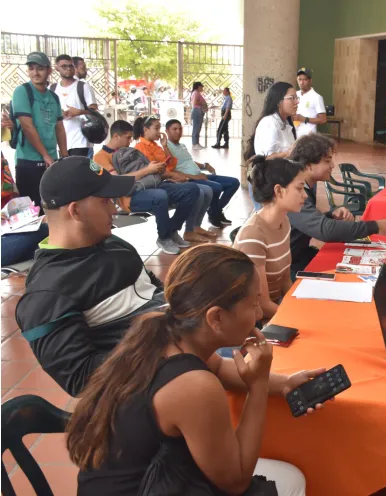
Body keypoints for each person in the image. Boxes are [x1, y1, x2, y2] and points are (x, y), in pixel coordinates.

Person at [66, 245, 326, 495]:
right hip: (148, 486)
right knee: (290, 482)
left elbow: (222, 368)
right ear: (216, 318)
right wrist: (257, 387)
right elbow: (236, 481)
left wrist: (283, 383)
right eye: (253, 303)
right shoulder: (193, 386)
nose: (259, 313)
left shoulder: (164, 328)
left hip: (150, 476)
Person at [14, 156, 166, 397]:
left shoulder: (113, 244)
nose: (115, 209)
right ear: (75, 211)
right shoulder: (48, 294)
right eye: (106, 201)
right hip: (144, 396)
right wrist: (168, 345)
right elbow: (81, 379)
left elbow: (152, 288)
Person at [287, 134, 386, 275]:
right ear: (308, 165)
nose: (332, 166)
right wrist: (375, 226)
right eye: (327, 161)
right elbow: (324, 230)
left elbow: (305, 221)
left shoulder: (306, 187)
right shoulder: (293, 192)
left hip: (298, 255)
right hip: (289, 265)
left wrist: (330, 215)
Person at [94, 120, 200, 255]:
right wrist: (148, 170)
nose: (129, 141)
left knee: (190, 189)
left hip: (151, 185)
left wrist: (160, 172)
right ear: (116, 137)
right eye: (127, 138)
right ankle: (164, 237)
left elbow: (146, 170)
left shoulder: (130, 151)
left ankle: (172, 230)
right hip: (129, 196)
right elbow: (117, 182)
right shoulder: (100, 157)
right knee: (160, 195)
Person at [234, 157, 306, 319]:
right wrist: (300, 319)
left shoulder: (284, 222)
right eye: (300, 189)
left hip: (275, 309)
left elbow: (285, 282)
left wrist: (300, 307)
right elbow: (262, 306)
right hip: (250, 321)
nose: (305, 195)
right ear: (279, 190)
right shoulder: (253, 235)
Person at [134, 115, 216, 243]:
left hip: (165, 180)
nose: (159, 131)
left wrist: (165, 146)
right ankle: (176, 230)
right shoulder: (140, 148)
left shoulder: (157, 146)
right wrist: (173, 176)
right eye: (156, 128)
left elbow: (170, 165)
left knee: (204, 190)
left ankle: (183, 228)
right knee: (198, 192)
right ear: (146, 130)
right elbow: (156, 171)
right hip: (156, 184)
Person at [12, 52, 67, 212]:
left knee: (53, 209)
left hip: (51, 161)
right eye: (31, 68)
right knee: (32, 211)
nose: (35, 73)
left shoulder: (54, 97)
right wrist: (45, 155)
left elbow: (59, 127)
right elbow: (27, 126)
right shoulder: (22, 92)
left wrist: (64, 156)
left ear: (49, 70)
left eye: (40, 68)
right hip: (29, 161)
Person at [166, 119, 239, 227]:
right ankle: (215, 214)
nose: (178, 131)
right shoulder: (166, 147)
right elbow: (171, 170)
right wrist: (195, 177)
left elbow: (188, 161)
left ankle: (215, 211)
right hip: (190, 178)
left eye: (180, 129)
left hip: (200, 175)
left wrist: (205, 165)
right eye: (174, 129)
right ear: (167, 131)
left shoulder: (182, 145)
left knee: (234, 183)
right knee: (216, 187)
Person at [246, 81, 299, 211]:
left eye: (296, 98)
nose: (296, 102)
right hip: (266, 184)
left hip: (279, 181)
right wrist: (292, 152)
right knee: (264, 223)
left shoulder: (285, 123)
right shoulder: (270, 123)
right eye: (292, 98)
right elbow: (266, 158)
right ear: (278, 101)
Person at [52, 54, 98, 157]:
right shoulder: (53, 88)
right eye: (64, 66)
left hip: (81, 140)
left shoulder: (83, 86)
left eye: (71, 66)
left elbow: (95, 112)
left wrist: (79, 112)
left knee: (79, 171)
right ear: (56, 68)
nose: (68, 69)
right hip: (60, 141)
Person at [294, 68, 327, 138]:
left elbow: (323, 119)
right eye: (300, 79)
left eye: (305, 80)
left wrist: (305, 119)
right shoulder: (295, 94)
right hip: (294, 135)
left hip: (308, 137)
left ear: (310, 81)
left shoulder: (317, 97)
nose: (302, 82)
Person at [190, 82, 208, 149]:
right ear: (198, 87)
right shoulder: (196, 93)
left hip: (198, 111)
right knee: (196, 128)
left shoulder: (197, 93)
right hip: (197, 111)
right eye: (201, 87)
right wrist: (202, 103)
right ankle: (195, 144)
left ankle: (197, 143)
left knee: (198, 128)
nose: (202, 88)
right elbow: (194, 102)